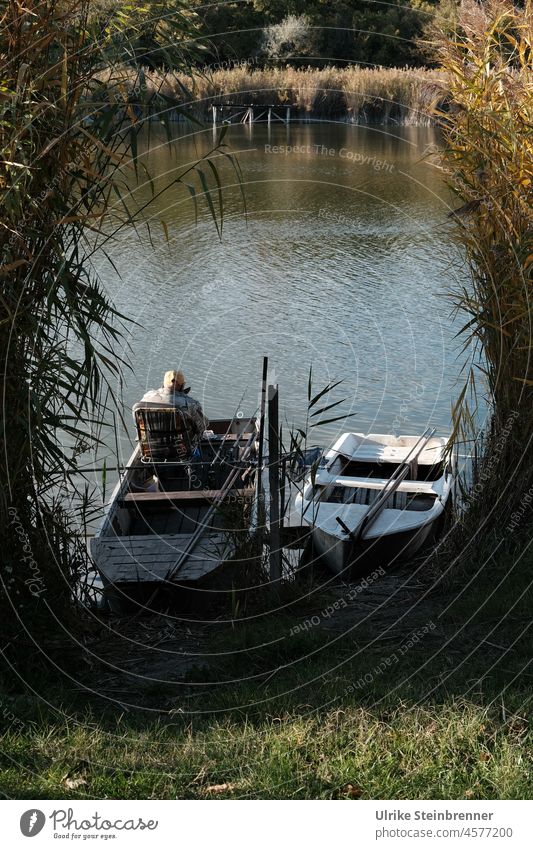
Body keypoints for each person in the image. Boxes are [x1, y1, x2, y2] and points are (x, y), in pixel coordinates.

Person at [134, 369, 208, 440]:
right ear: (182, 386)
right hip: (181, 450)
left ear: (163, 384)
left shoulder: (147, 397)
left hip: (150, 448)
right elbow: (202, 426)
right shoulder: (190, 403)